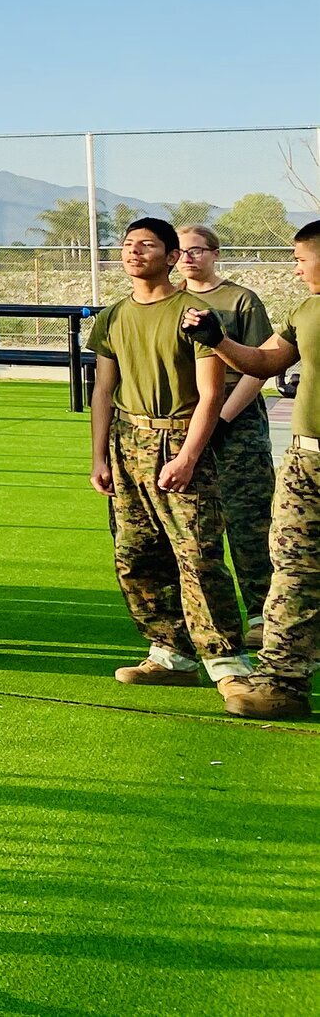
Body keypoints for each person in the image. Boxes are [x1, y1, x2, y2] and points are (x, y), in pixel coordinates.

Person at [84, 216, 248, 688]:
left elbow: (211, 393)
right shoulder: (113, 316)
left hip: (177, 436)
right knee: (136, 554)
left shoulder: (193, 313)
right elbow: (103, 390)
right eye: (128, 245)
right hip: (125, 440)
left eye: (148, 245)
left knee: (196, 552)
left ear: (173, 257)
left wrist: (188, 456)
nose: (134, 252)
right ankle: (169, 651)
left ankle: (226, 661)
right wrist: (99, 457)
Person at [184, 218, 320, 719]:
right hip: (307, 461)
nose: (296, 265)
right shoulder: (305, 311)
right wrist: (218, 339)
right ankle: (282, 683)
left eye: (301, 256)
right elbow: (263, 363)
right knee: (293, 571)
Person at [176, 224, 278, 640]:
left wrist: (221, 420)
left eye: (196, 250)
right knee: (192, 525)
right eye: (180, 251)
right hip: (186, 422)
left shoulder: (240, 300)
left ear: (215, 254)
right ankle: (199, 616)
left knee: (248, 520)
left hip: (237, 425)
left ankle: (261, 613)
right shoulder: (168, 301)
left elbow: (261, 366)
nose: (187, 258)